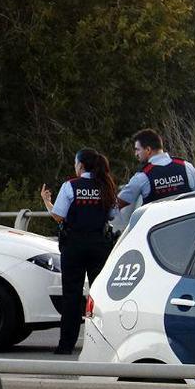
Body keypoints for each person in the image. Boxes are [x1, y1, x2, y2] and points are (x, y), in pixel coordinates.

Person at [40, 149, 117, 355]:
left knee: (72, 296)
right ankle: (105, 343)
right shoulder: (106, 185)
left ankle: (66, 345)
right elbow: (112, 215)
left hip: (73, 245)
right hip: (99, 245)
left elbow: (58, 216)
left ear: (81, 166)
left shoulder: (70, 186)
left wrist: (47, 201)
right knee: (100, 295)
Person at [117, 128, 195, 209]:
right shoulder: (186, 166)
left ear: (148, 149)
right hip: (187, 223)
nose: (136, 154)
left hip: (158, 224)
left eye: (137, 150)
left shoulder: (143, 176)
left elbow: (117, 205)